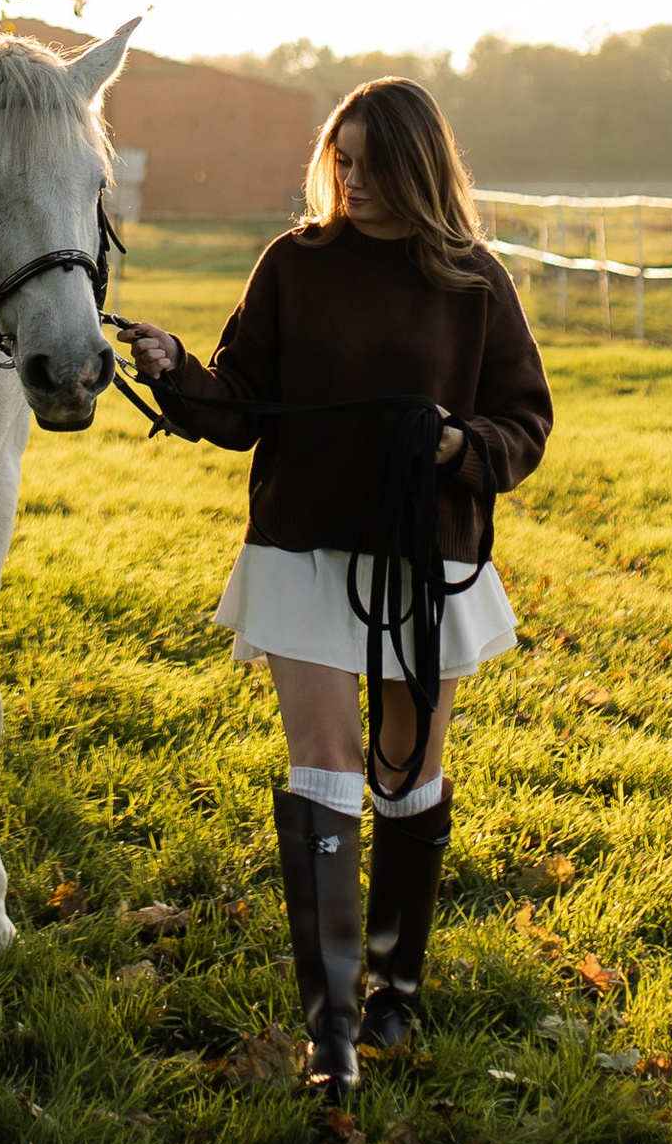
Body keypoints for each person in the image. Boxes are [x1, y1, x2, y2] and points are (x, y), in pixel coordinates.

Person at [115, 79, 551, 1092]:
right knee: (324, 760)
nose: (343, 176)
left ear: (411, 164)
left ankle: (396, 992)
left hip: (423, 552)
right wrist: (177, 368)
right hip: (303, 545)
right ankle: (333, 1029)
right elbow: (241, 405)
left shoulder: (473, 279)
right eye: (336, 156)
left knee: (405, 772)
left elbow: (522, 423)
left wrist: (456, 444)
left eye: (363, 160)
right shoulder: (294, 264)